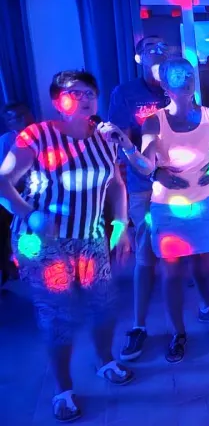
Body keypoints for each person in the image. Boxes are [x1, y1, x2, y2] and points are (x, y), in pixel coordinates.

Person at [0, 70, 155, 422]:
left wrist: (120, 224)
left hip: (90, 237)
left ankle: (105, 360)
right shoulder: (36, 136)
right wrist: (30, 214)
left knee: (104, 304)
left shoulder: (104, 137)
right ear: (58, 102)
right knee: (59, 314)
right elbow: (3, 182)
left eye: (90, 92)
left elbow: (115, 184)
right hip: (43, 241)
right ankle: (63, 388)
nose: (85, 98)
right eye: (74, 93)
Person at [141, 58, 209, 362]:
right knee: (172, 274)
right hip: (169, 207)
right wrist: (157, 173)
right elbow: (145, 164)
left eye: (188, 75)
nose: (184, 80)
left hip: (205, 201)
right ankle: (177, 333)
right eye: (177, 76)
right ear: (165, 85)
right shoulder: (154, 121)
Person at [0, 102, 34, 285]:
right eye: (17, 117)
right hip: (16, 189)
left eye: (25, 114)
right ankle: (10, 264)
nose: (24, 119)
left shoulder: (42, 133)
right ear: (9, 122)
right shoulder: (7, 140)